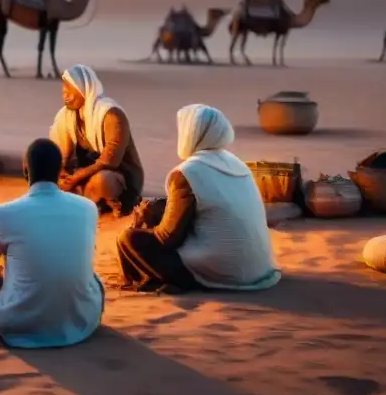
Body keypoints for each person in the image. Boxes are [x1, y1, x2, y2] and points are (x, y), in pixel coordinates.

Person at [0, 138, 104, 348]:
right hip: (82, 322)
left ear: (25, 170)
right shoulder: (87, 208)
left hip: (21, 326)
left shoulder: (5, 214)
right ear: (60, 171)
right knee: (88, 273)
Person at [117, 104, 281, 293]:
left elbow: (168, 238)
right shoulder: (237, 163)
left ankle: (181, 281)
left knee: (129, 238)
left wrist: (144, 223)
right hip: (258, 269)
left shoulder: (188, 172)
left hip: (223, 272)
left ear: (192, 133)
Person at [49, 64, 144, 216]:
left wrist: (75, 178)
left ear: (83, 89)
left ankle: (116, 202)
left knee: (102, 181)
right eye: (63, 92)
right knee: (43, 169)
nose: (65, 96)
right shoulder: (67, 116)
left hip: (119, 175)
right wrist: (62, 173)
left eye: (70, 91)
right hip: (83, 173)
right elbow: (60, 155)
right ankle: (89, 201)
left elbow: (109, 161)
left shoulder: (112, 115)